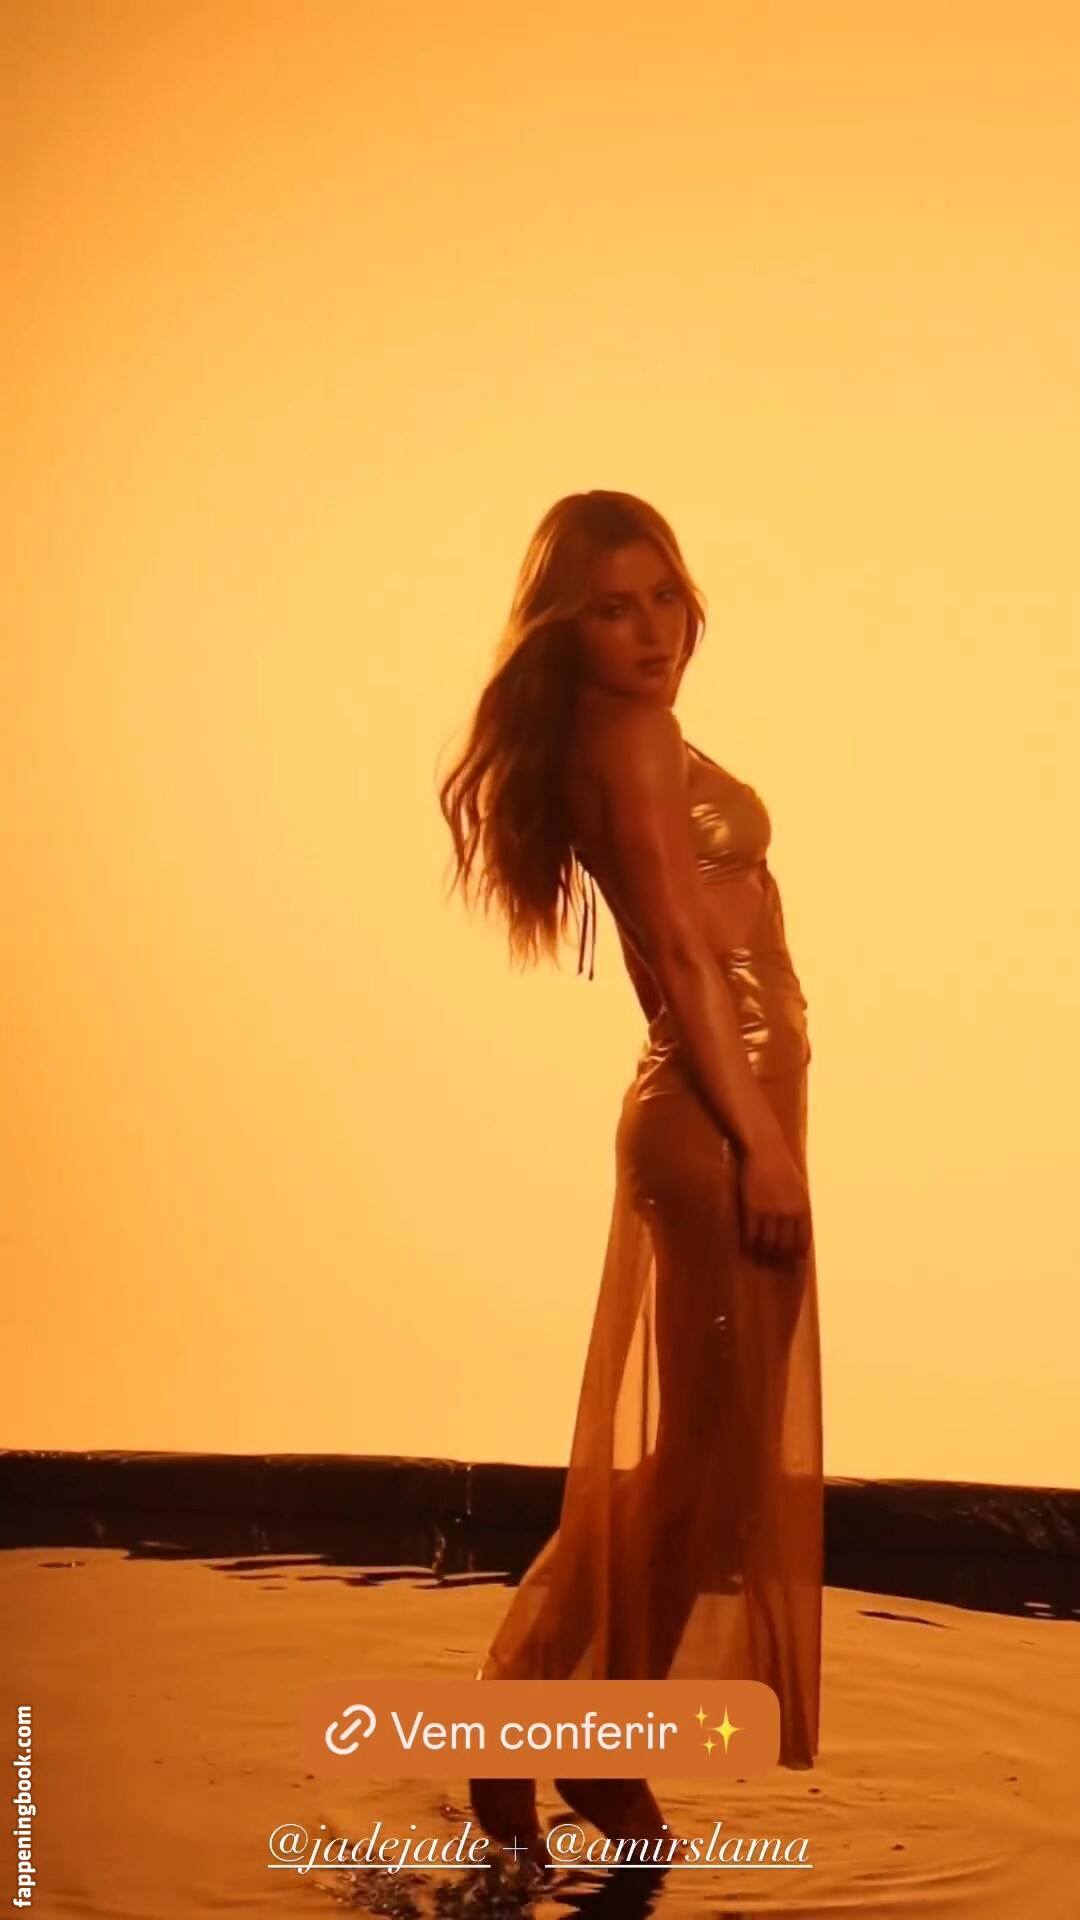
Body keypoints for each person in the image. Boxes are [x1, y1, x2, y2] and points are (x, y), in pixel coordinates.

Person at [437, 490, 823, 1862]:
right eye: (614, 608)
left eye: (664, 596)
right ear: (565, 627)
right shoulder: (635, 737)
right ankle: (544, 1728)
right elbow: (684, 955)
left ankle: (565, 1733)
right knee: (702, 1467)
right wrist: (761, 1142)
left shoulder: (612, 732)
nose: (654, 630)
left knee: (707, 1464)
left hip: (725, 1115)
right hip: (719, 1126)